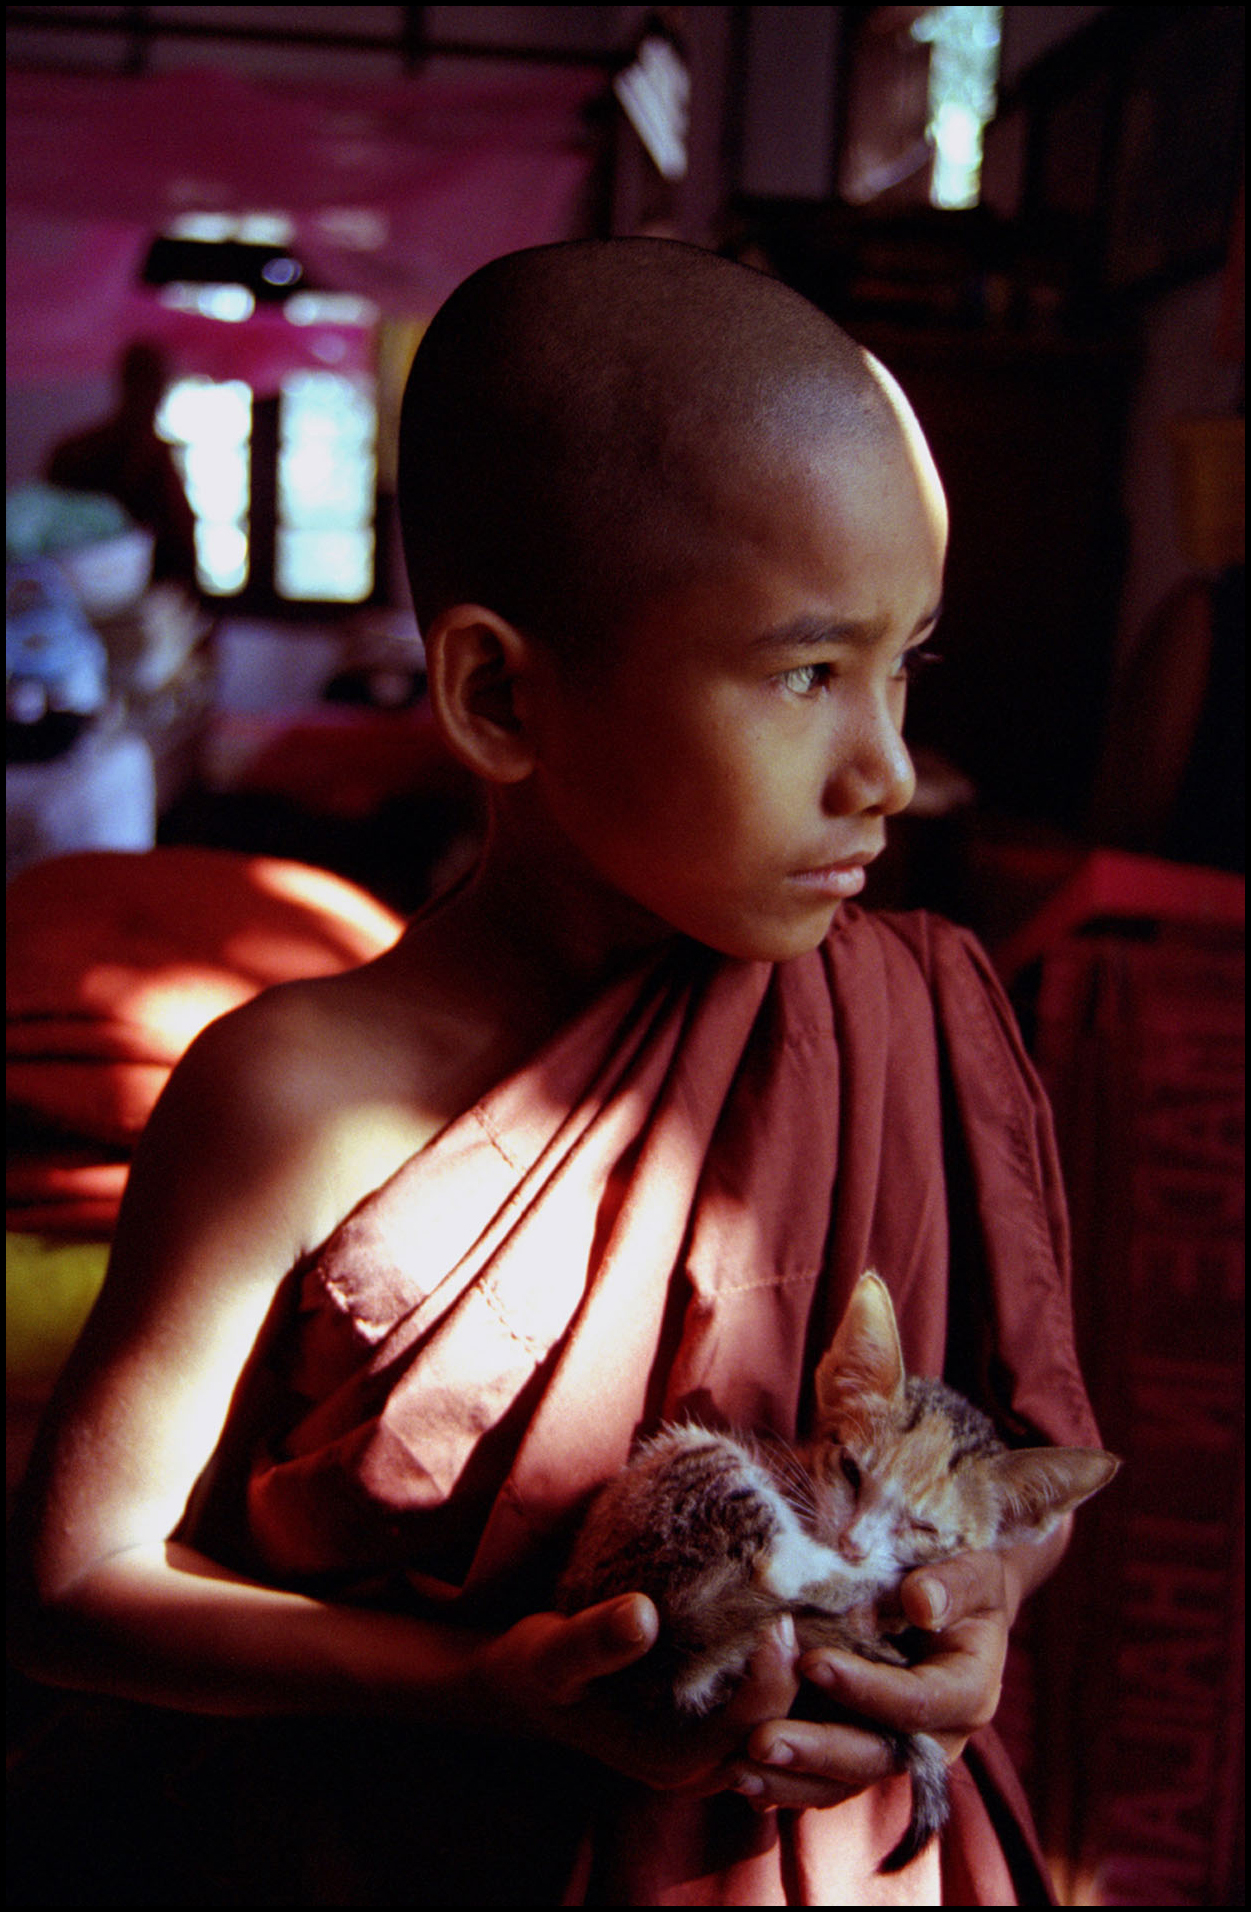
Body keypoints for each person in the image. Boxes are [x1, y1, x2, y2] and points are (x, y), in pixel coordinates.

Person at [12, 241, 1100, 1905]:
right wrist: (486, 1692)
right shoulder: (292, 1096)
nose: (884, 765)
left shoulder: (918, 1004)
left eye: (907, 667)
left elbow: (1025, 1464)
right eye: (809, 673)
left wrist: (973, 1621)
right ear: (499, 693)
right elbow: (73, 1581)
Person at [46, 339, 199, 586]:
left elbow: (180, 541)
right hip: (89, 587)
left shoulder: (153, 454)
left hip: (140, 589)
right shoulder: (77, 452)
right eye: (153, 384)